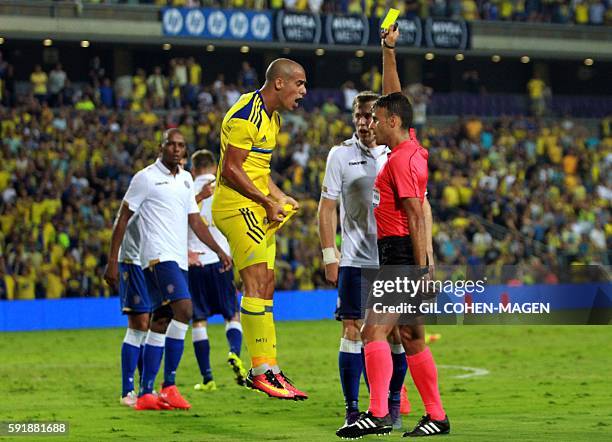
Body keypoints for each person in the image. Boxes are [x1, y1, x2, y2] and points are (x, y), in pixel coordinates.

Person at [337, 25, 449, 438]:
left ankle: (378, 412)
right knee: (412, 337)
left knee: (373, 330)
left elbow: (418, 215)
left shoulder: (401, 162)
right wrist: (388, 51)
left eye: (380, 120)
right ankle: (436, 417)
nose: (374, 125)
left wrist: (423, 270)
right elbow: (394, 97)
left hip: (401, 254)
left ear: (393, 122)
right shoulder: (410, 146)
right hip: (403, 254)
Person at [104, 129, 231, 411]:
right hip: (153, 257)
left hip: (177, 257)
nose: (175, 149)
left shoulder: (186, 180)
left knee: (160, 319)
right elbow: (122, 219)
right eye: (170, 145)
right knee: (183, 309)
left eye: (180, 146)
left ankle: (148, 392)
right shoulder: (145, 178)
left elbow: (195, 222)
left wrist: (220, 250)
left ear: (185, 152)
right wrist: (112, 261)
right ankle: (166, 385)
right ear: (160, 148)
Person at [211, 58, 307, 400]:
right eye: (299, 84)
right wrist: (268, 204)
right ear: (279, 83)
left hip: (253, 203)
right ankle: (261, 370)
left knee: (266, 282)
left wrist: (279, 196)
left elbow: (257, 169)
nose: (304, 92)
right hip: (236, 206)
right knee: (254, 282)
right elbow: (230, 171)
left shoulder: (273, 118)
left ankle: (270, 367)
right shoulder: (246, 115)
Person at [318, 90, 409, 429]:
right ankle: (352, 408)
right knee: (351, 330)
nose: (362, 120)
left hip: (390, 258)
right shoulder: (339, 155)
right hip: (354, 259)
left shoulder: (395, 152)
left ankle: (391, 401)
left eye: (368, 114)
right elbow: (326, 208)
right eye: (357, 114)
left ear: (383, 118)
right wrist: (331, 255)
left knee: (395, 334)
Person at [187, 149, 247, 391]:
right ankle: (234, 352)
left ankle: (208, 378)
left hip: (195, 262)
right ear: (213, 166)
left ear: (193, 169)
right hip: (222, 261)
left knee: (198, 320)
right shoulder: (225, 186)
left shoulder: (186, 189)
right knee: (232, 314)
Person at [118, 213, 150, 407]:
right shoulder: (140, 190)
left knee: (151, 326)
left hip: (151, 261)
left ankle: (146, 387)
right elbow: (120, 223)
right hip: (132, 261)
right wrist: (113, 261)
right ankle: (127, 391)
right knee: (139, 324)